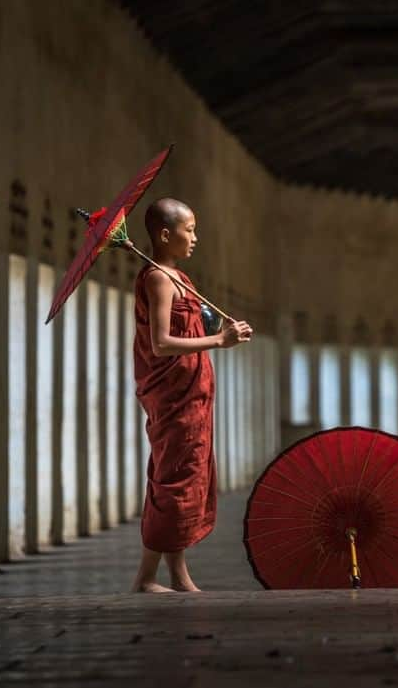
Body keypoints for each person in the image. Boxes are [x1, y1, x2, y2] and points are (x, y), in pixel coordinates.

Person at [130, 197, 253, 593]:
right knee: (174, 480)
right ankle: (156, 578)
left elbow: (192, 325)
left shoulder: (181, 278)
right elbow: (162, 343)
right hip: (172, 396)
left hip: (194, 394)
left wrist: (220, 326)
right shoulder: (157, 279)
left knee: (184, 476)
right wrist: (218, 340)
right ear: (165, 235)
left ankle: (166, 576)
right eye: (190, 230)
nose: (195, 238)